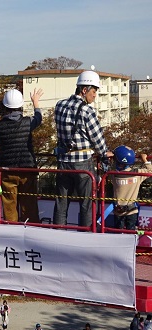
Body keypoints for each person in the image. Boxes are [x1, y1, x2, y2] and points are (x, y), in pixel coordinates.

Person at [53, 70, 112, 228]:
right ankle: (86, 236)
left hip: (63, 162)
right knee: (87, 203)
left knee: (61, 202)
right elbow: (98, 140)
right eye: (94, 91)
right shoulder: (87, 111)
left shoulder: (59, 105)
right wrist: (105, 155)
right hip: (82, 164)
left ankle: (57, 235)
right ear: (84, 90)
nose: (95, 96)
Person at [0, 88, 43, 223]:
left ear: (5, 106)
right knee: (29, 206)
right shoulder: (28, 122)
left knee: (9, 207)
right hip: (27, 169)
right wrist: (36, 103)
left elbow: (0, 144)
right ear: (20, 106)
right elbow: (39, 118)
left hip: (7, 170)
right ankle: (31, 233)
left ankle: (11, 235)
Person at [111, 146, 152, 230]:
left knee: (118, 234)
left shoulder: (113, 174)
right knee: (131, 233)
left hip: (118, 211)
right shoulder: (137, 174)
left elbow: (106, 168)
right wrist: (144, 160)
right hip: (132, 210)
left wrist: (108, 157)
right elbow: (150, 170)